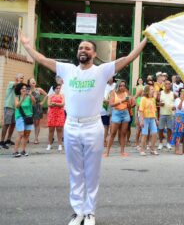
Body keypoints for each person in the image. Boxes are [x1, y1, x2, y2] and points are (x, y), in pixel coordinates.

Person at [20, 30, 147, 225]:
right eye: (80, 47)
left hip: (93, 126)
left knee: (91, 171)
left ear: (94, 54)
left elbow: (129, 57)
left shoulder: (101, 71)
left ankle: (90, 213)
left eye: (87, 48)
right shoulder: (67, 69)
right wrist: (27, 45)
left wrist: (146, 39)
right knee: (75, 171)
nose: (83, 50)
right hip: (71, 125)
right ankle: (78, 211)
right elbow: (42, 59)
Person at [104, 80, 131, 157]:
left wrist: (129, 102)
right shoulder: (113, 92)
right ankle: (107, 152)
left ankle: (122, 152)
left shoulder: (126, 92)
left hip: (125, 113)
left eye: (123, 85)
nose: (122, 87)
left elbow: (129, 105)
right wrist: (122, 101)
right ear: (118, 86)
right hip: (116, 113)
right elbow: (111, 104)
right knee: (112, 133)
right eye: (121, 85)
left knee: (123, 133)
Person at [0, 73, 24, 149]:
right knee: (6, 124)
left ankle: (8, 140)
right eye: (21, 78)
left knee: (13, 124)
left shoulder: (19, 88)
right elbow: (16, 84)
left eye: (23, 78)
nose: (22, 79)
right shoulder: (11, 83)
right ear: (16, 78)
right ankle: (1, 142)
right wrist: (20, 82)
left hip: (15, 107)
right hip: (9, 106)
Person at [13, 82, 35, 157]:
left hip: (29, 117)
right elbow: (17, 106)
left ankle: (23, 150)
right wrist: (22, 98)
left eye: (25, 88)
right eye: (22, 88)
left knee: (27, 134)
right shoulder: (17, 97)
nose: (24, 89)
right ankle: (15, 151)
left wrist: (30, 95)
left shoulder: (29, 96)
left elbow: (34, 103)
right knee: (21, 134)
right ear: (19, 89)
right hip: (20, 117)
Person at [138, 85, 159, 156]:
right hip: (145, 118)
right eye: (152, 89)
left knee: (155, 133)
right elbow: (141, 110)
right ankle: (142, 150)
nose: (153, 90)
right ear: (148, 91)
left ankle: (152, 149)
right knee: (145, 134)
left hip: (152, 118)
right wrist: (141, 120)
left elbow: (154, 110)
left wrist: (156, 119)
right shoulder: (143, 99)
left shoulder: (153, 99)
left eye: (153, 89)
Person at [27, 78, 48, 144]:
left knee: (37, 123)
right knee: (28, 122)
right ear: (29, 83)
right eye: (32, 81)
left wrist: (42, 102)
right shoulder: (27, 90)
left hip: (37, 107)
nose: (33, 81)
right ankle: (27, 138)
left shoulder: (39, 89)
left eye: (34, 80)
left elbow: (46, 95)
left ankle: (36, 138)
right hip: (29, 107)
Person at [47, 84, 65, 151]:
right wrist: (57, 104)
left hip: (60, 113)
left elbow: (63, 104)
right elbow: (49, 104)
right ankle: (49, 144)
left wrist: (54, 103)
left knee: (59, 129)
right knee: (51, 130)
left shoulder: (62, 95)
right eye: (57, 88)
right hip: (52, 114)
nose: (58, 89)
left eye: (59, 88)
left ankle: (60, 144)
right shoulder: (51, 96)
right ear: (54, 89)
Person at [157, 80, 175, 151]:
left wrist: (174, 107)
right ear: (164, 85)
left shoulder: (173, 93)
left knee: (169, 129)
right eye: (166, 84)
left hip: (170, 114)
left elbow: (176, 102)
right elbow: (157, 102)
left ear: (170, 85)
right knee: (161, 129)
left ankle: (168, 143)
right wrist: (159, 104)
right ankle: (161, 143)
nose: (168, 85)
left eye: (169, 84)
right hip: (162, 113)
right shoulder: (160, 93)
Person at [101, 77, 115, 146]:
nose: (110, 79)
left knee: (108, 125)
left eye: (111, 77)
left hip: (112, 108)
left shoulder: (115, 86)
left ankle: (106, 140)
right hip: (102, 109)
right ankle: (102, 140)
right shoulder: (103, 86)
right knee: (103, 125)